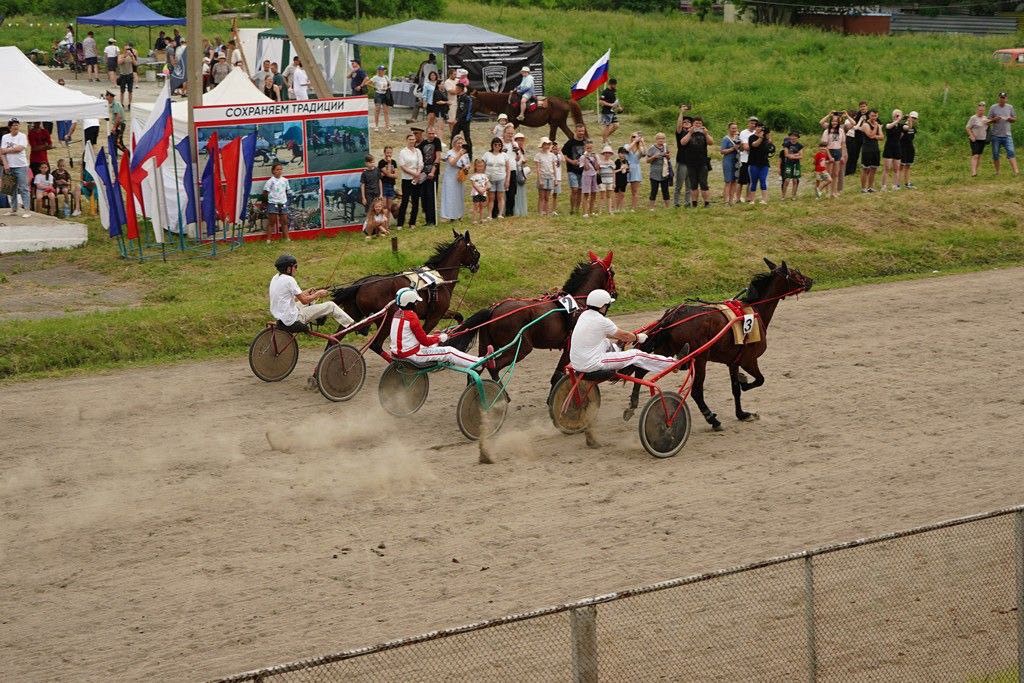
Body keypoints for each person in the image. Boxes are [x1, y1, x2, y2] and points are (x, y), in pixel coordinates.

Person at [569, 289, 678, 376]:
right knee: (636, 355)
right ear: (602, 306)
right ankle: (672, 364)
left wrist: (625, 337)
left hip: (577, 361)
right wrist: (637, 337)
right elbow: (625, 336)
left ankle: (617, 351)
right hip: (592, 364)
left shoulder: (584, 315)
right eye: (607, 306)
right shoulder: (602, 321)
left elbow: (610, 334)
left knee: (605, 341)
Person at [390, 287, 491, 368]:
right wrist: (440, 338)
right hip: (411, 356)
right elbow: (425, 341)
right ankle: (480, 363)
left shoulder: (397, 314)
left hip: (397, 353)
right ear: (410, 303)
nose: (417, 303)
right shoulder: (412, 317)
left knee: (435, 343)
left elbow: (414, 337)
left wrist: (436, 337)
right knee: (449, 351)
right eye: (415, 302)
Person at [269, 254, 354, 331]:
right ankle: (352, 326)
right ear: (288, 269)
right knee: (331, 305)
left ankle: (317, 319)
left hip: (281, 315)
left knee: (313, 300)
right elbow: (304, 301)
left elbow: (290, 298)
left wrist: (306, 293)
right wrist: (318, 294)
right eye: (295, 266)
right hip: (292, 319)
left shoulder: (276, 278)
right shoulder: (289, 280)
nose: (296, 269)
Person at [1, 119, 31, 217]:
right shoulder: (5, 137)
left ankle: (27, 210)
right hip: (9, 166)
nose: (16, 126)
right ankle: (13, 209)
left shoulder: (22, 136)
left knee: (23, 188)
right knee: (10, 189)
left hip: (21, 166)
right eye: (14, 125)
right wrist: (5, 164)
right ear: (10, 127)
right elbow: (2, 152)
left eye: (17, 125)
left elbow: (20, 149)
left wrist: (7, 150)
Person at [682, 116, 711, 207]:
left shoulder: (704, 133)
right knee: (693, 184)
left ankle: (706, 203)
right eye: (696, 123)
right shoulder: (687, 132)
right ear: (692, 124)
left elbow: (711, 142)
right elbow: (682, 142)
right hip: (691, 162)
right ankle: (694, 203)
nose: (698, 125)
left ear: (702, 125)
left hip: (702, 162)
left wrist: (706, 134)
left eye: (700, 123)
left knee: (704, 183)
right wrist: (690, 133)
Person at [396, 134, 424, 229]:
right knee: (405, 201)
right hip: (407, 179)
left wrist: (418, 174)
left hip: (416, 179)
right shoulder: (403, 152)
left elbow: (420, 164)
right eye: (410, 139)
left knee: (415, 201)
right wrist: (414, 173)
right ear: (407, 140)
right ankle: (400, 223)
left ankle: (412, 223)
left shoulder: (418, 151)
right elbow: (403, 166)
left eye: (413, 139)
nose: (412, 141)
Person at [988, 92, 1019, 176]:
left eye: (1004, 98)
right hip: (995, 135)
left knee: (1011, 151)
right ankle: (997, 172)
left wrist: (1009, 119)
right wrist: (995, 119)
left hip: (1007, 135)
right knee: (995, 154)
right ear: (998, 98)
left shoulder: (1010, 107)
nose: (1002, 99)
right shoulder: (993, 107)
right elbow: (988, 120)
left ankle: (1016, 171)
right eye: (1001, 98)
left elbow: (1014, 119)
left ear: (1006, 99)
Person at [441, 135, 470, 222]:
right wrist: (459, 154)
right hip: (450, 177)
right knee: (451, 196)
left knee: (459, 195)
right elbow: (452, 163)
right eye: (458, 143)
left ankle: (459, 214)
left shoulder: (465, 154)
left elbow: (468, 164)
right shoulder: (450, 153)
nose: (460, 145)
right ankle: (451, 216)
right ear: (454, 143)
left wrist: (467, 167)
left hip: (460, 177)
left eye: (461, 143)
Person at [482, 137, 510, 220]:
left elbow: (508, 169)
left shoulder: (504, 155)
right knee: (491, 198)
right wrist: (483, 179)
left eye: (499, 145)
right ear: (492, 145)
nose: (497, 146)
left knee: (500, 197)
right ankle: (489, 215)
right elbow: (483, 167)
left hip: (501, 178)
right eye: (495, 144)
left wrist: (507, 180)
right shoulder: (487, 154)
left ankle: (500, 214)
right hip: (489, 178)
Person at [418, 126, 441, 225]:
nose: (431, 135)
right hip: (424, 172)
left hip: (433, 172)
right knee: (424, 196)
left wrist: (433, 171)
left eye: (433, 133)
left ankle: (432, 220)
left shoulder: (437, 141)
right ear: (426, 134)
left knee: (432, 196)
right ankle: (428, 220)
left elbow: (438, 157)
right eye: (429, 133)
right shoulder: (423, 144)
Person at [562, 123, 587, 215]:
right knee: (574, 189)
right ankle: (572, 209)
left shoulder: (586, 142)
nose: (581, 133)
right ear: (575, 131)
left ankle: (577, 210)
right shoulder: (570, 143)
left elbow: (589, 154)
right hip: (572, 170)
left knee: (580, 190)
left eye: (583, 131)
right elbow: (563, 155)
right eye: (579, 131)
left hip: (582, 170)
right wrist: (571, 161)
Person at [821, 112, 846, 198]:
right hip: (829, 152)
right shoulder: (826, 131)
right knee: (828, 173)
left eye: (836, 121)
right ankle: (827, 192)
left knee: (836, 174)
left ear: (839, 122)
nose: (834, 123)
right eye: (833, 121)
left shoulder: (841, 131)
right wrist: (829, 156)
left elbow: (843, 144)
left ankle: (834, 192)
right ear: (830, 122)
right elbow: (824, 145)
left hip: (838, 151)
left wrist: (842, 155)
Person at [264, 163, 291, 239]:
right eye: (277, 169)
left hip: (283, 203)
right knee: (272, 222)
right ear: (273, 171)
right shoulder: (270, 181)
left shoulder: (285, 180)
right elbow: (265, 192)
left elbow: (288, 191)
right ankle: (268, 240)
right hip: (273, 203)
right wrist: (270, 200)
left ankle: (287, 238)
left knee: (284, 222)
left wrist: (286, 201)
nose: (279, 171)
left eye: (281, 169)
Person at [746, 123, 772, 204]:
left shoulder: (766, 138)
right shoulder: (751, 137)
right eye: (758, 127)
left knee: (763, 180)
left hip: (764, 163)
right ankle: (752, 200)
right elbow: (755, 145)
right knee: (753, 181)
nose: (759, 128)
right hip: (753, 162)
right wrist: (761, 137)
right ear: (755, 128)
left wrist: (767, 135)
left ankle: (764, 200)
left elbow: (770, 145)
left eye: (761, 127)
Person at [646, 132, 673, 210]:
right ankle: (651, 208)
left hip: (664, 173)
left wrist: (667, 156)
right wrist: (654, 157)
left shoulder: (666, 146)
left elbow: (669, 158)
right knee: (654, 190)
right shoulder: (652, 148)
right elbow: (647, 161)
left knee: (665, 190)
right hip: (654, 173)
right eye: (659, 138)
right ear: (656, 139)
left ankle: (667, 208)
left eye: (663, 138)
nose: (661, 140)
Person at [858, 112, 882, 193]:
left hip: (875, 149)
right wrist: (875, 127)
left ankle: (870, 187)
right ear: (869, 116)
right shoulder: (865, 125)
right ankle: (863, 188)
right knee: (866, 169)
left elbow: (882, 137)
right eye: (872, 116)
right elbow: (870, 135)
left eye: (875, 116)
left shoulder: (877, 124)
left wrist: (876, 134)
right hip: (867, 149)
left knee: (874, 168)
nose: (874, 117)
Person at [673, 110, 693, 208]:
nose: (686, 123)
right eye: (684, 122)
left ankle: (687, 202)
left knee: (689, 185)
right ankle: (676, 203)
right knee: (679, 184)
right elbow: (678, 125)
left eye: (689, 122)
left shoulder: (694, 133)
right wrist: (681, 112)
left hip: (692, 163)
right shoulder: (680, 133)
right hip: (682, 161)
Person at [966, 102, 991, 177]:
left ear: (984, 111)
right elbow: (967, 128)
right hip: (974, 139)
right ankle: (973, 172)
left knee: (979, 155)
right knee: (975, 155)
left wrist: (989, 123)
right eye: (980, 110)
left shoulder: (985, 118)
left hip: (982, 139)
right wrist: (971, 135)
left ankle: (976, 171)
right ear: (977, 110)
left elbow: (988, 128)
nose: (981, 112)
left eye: (982, 110)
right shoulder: (973, 118)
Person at [881, 109, 903, 191]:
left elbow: (908, 128)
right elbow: (888, 127)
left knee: (896, 168)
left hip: (897, 147)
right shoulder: (889, 123)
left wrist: (910, 120)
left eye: (899, 115)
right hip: (889, 147)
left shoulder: (900, 126)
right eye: (896, 114)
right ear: (893, 115)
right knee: (887, 168)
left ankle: (895, 185)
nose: (897, 116)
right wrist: (897, 120)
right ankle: (884, 186)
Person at [845, 100, 869, 177]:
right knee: (854, 154)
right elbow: (854, 124)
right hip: (857, 136)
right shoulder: (857, 114)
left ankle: (867, 170)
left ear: (867, 107)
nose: (862, 108)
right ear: (859, 107)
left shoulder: (870, 114)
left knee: (866, 154)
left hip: (867, 137)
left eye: (864, 106)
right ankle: (850, 171)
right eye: (861, 107)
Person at [451, 83, 474, 159]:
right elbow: (459, 110)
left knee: (467, 138)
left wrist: (457, 119)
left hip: (465, 122)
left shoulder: (467, 98)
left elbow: (465, 111)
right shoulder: (459, 97)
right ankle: (451, 154)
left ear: (460, 89)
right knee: (453, 137)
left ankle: (470, 156)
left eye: (456, 88)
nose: (455, 90)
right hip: (458, 121)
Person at [535, 137, 557, 216]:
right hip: (542, 176)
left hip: (550, 177)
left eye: (548, 144)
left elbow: (554, 167)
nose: (547, 146)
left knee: (547, 197)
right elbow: (538, 168)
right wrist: (540, 179)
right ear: (542, 145)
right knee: (542, 196)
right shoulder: (538, 155)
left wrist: (555, 179)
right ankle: (540, 212)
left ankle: (547, 212)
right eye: (545, 144)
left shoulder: (552, 155)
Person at [738, 116, 758, 203]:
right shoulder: (744, 133)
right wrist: (757, 147)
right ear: (748, 123)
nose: (753, 125)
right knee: (741, 181)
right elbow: (746, 147)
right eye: (751, 123)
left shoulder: (757, 133)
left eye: (755, 124)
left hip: (754, 159)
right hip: (745, 159)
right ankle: (738, 198)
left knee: (751, 180)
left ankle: (748, 197)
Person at [721, 122, 741, 205]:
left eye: (735, 128)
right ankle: (726, 201)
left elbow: (741, 150)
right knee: (728, 181)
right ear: (729, 129)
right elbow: (722, 151)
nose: (734, 130)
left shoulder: (738, 138)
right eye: (732, 128)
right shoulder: (726, 139)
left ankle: (731, 200)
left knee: (734, 181)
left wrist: (740, 146)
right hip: (728, 161)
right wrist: (733, 148)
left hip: (736, 161)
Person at [625, 132, 645, 211]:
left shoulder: (640, 148)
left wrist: (642, 142)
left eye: (636, 137)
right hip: (627, 167)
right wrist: (634, 142)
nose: (635, 138)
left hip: (636, 169)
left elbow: (644, 154)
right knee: (621, 189)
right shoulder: (627, 145)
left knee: (635, 190)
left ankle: (633, 208)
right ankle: (620, 207)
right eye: (633, 136)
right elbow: (626, 150)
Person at [781, 130, 803, 200]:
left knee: (795, 180)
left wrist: (792, 156)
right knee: (787, 180)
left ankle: (793, 196)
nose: (793, 137)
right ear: (790, 137)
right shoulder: (786, 144)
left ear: (797, 137)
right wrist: (796, 154)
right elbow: (786, 154)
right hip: (788, 164)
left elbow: (801, 156)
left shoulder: (800, 145)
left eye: (795, 136)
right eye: (792, 136)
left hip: (796, 164)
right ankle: (783, 196)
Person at [579, 139, 600, 217]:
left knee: (594, 193)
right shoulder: (582, 157)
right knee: (586, 194)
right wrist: (585, 158)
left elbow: (597, 168)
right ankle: (585, 212)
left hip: (594, 175)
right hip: (586, 176)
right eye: (587, 148)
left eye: (591, 148)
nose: (589, 149)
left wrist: (595, 159)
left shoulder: (595, 156)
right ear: (585, 148)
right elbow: (586, 168)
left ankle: (591, 211)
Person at [898, 111, 918, 189]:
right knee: (901, 165)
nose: (913, 119)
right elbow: (900, 137)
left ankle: (907, 183)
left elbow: (913, 137)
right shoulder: (904, 126)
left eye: (915, 118)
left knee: (908, 165)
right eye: (912, 117)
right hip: (903, 147)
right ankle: (897, 184)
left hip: (910, 147)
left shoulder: (914, 128)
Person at [370, 65, 392, 132]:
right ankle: (376, 126)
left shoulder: (386, 77)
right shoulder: (375, 77)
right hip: (378, 94)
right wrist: (375, 87)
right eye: (382, 70)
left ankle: (387, 126)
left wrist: (387, 88)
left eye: (384, 70)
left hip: (385, 94)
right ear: (379, 71)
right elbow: (367, 83)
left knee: (386, 111)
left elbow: (390, 85)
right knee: (377, 110)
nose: (383, 71)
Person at [598, 78, 620, 144]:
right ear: (611, 84)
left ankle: (605, 137)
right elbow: (600, 101)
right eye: (615, 85)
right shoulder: (605, 92)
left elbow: (615, 100)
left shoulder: (614, 91)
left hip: (612, 111)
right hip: (606, 112)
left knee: (616, 125)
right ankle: (604, 141)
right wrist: (610, 105)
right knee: (607, 126)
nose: (615, 86)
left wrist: (619, 106)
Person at [469, 158, 489, 224]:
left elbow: (487, 184)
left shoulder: (485, 175)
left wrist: (484, 189)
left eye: (482, 166)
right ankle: (474, 220)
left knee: (482, 206)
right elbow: (473, 184)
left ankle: (481, 219)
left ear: (484, 167)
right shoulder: (474, 176)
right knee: (476, 206)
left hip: (483, 193)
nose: (480, 168)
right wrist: (479, 190)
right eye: (478, 166)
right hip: (476, 193)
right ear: (475, 166)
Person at [117, 43, 137, 109]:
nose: (127, 50)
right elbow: (119, 62)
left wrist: (132, 56)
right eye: (126, 49)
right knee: (122, 91)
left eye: (129, 49)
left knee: (130, 91)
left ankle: (129, 104)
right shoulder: (120, 56)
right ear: (123, 49)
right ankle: (121, 104)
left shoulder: (131, 56)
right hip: (123, 75)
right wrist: (125, 56)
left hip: (130, 75)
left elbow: (135, 64)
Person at [598, 144, 616, 214]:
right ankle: (600, 211)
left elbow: (614, 173)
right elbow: (599, 173)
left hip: (610, 181)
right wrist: (599, 182)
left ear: (611, 154)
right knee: (602, 196)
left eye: (609, 153)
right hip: (602, 181)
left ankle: (609, 210)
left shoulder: (612, 162)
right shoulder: (600, 162)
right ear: (603, 154)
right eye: (606, 152)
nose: (607, 154)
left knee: (609, 196)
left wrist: (614, 183)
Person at [442, 68, 460, 135]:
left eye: (456, 74)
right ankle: (452, 134)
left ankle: (457, 133)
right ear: (450, 74)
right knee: (452, 120)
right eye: (454, 74)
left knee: (458, 120)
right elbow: (452, 92)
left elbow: (465, 89)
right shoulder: (447, 82)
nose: (456, 76)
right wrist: (459, 91)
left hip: (459, 102)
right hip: (451, 103)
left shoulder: (458, 80)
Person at [613, 146, 629, 212]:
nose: (623, 155)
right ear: (618, 153)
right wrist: (620, 169)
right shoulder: (616, 162)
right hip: (617, 179)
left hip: (624, 179)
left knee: (622, 194)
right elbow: (613, 171)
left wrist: (627, 169)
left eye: (624, 153)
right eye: (622, 153)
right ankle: (615, 208)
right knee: (616, 195)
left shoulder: (626, 161)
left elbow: (628, 171)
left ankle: (622, 208)